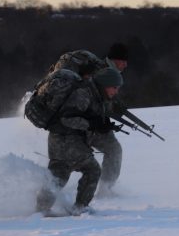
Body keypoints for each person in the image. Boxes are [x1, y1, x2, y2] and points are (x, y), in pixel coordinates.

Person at [36, 67, 123, 215]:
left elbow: (86, 115)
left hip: (59, 139)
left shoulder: (93, 93)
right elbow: (67, 118)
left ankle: (41, 209)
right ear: (104, 85)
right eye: (114, 87)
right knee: (92, 170)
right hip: (66, 140)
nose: (116, 91)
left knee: (60, 174)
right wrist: (92, 124)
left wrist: (101, 124)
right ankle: (80, 208)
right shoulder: (83, 94)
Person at [50, 43, 128, 197]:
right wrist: (96, 123)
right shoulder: (101, 73)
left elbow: (97, 105)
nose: (126, 65)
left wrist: (104, 120)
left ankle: (43, 206)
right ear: (116, 60)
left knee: (64, 169)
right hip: (71, 131)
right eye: (124, 60)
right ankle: (103, 192)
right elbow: (83, 106)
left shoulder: (104, 72)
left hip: (80, 127)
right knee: (73, 168)